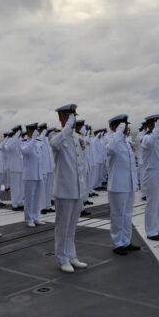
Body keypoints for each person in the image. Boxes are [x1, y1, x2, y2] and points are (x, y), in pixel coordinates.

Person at [50, 104, 88, 273]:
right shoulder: (57, 136)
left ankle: (72, 256)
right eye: (68, 117)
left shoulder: (77, 138)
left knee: (72, 228)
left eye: (73, 117)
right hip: (64, 190)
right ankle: (62, 258)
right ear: (61, 118)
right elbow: (54, 145)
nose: (72, 120)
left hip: (77, 189)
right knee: (62, 227)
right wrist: (66, 127)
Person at [106, 115, 141, 255]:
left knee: (127, 215)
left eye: (126, 126)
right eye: (123, 126)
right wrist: (118, 132)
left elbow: (131, 165)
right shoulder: (111, 139)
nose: (126, 129)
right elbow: (110, 149)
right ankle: (117, 243)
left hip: (129, 184)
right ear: (115, 127)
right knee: (117, 215)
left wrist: (135, 183)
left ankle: (126, 241)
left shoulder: (126, 141)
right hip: (117, 185)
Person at [141, 114, 159, 241]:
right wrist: (157, 129)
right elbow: (150, 142)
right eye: (154, 123)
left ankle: (158, 228)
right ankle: (150, 231)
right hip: (152, 173)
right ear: (149, 125)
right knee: (152, 203)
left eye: (158, 123)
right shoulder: (146, 138)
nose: (158, 126)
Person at [20, 123, 46, 228]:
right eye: (32, 130)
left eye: (36, 130)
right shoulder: (23, 142)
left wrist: (43, 172)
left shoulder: (39, 142)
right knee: (29, 198)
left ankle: (36, 217)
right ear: (28, 131)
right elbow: (25, 151)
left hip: (38, 174)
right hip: (29, 175)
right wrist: (33, 139)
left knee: (37, 198)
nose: (35, 132)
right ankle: (29, 219)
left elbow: (41, 159)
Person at [4, 126, 25, 211]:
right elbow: (7, 148)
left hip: (21, 167)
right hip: (14, 167)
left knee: (21, 187)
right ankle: (14, 204)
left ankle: (20, 202)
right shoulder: (10, 141)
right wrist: (15, 137)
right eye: (19, 132)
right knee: (15, 187)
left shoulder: (20, 141)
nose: (20, 133)